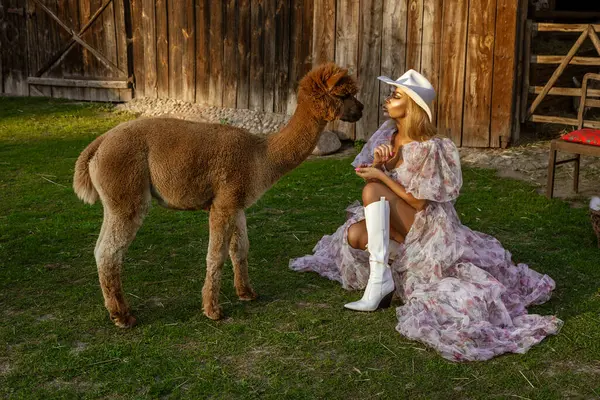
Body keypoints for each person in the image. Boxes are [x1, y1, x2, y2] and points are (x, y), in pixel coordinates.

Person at [289, 70, 562, 362]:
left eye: (395, 96)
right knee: (355, 235)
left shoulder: (429, 147)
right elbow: (376, 181)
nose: (387, 100)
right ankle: (400, 264)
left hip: (427, 225)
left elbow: (419, 203)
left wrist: (381, 176)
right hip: (403, 224)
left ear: (412, 106)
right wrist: (382, 164)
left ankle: (380, 282)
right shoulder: (386, 135)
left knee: (371, 191)